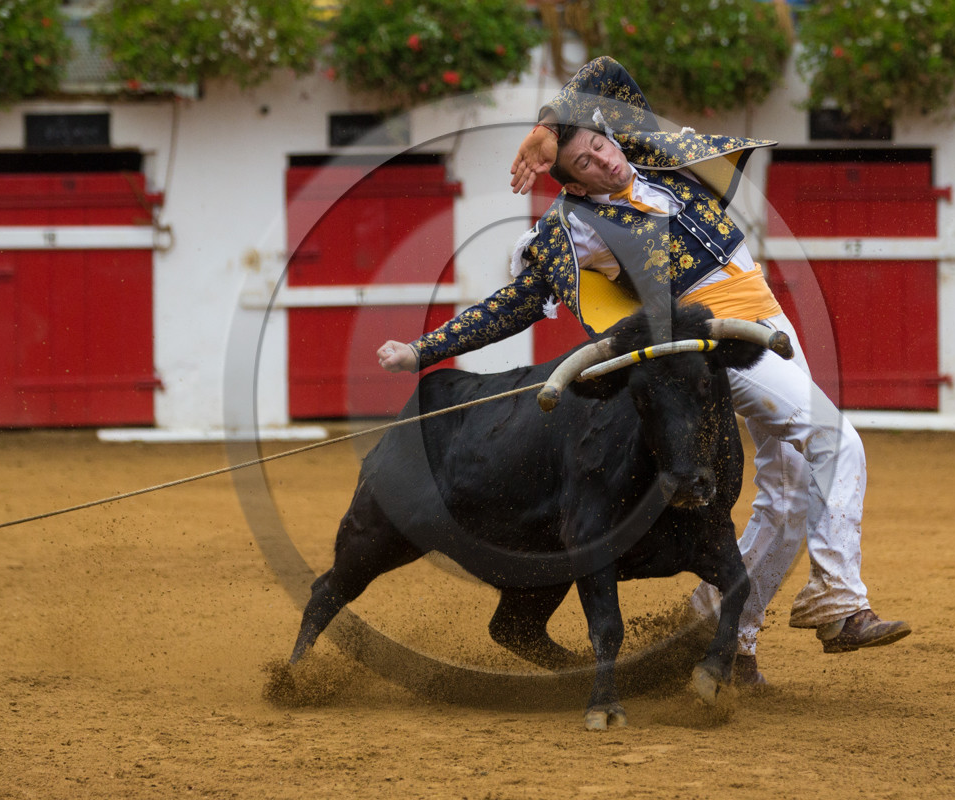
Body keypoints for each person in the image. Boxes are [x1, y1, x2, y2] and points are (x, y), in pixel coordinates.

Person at [377, 57, 910, 685]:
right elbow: (513, 305)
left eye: (600, 144)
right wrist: (424, 349)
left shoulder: (648, 155)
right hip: (714, 340)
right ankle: (837, 600)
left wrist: (551, 124)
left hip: (766, 318)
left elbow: (609, 69)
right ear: (572, 184)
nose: (604, 161)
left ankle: (726, 631)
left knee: (791, 493)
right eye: (584, 163)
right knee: (837, 441)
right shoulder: (576, 228)